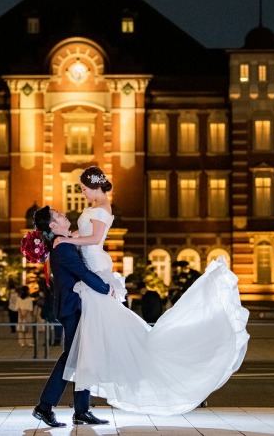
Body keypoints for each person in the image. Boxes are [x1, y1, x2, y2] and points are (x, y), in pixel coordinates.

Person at [62, 166, 250, 416]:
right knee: (101, 334)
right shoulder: (94, 208)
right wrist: (64, 235)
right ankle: (84, 404)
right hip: (93, 265)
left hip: (95, 267)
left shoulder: (101, 208)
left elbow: (94, 239)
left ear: (95, 187)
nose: (83, 194)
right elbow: (84, 233)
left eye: (84, 189)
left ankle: (88, 400)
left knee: (103, 333)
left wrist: (66, 241)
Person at [27, 205, 113, 427]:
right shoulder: (62, 248)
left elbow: (87, 238)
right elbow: (82, 273)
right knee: (72, 357)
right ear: (53, 226)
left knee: (80, 357)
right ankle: (45, 407)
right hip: (72, 307)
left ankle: (80, 410)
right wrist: (105, 288)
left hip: (74, 306)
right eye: (58, 215)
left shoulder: (65, 242)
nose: (63, 214)